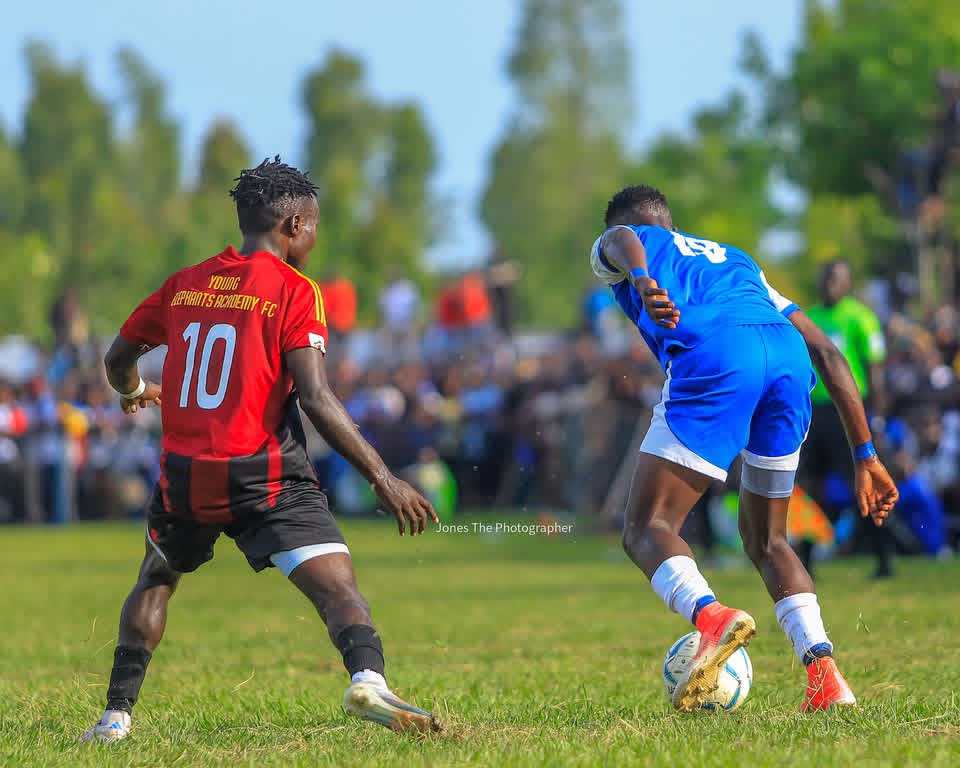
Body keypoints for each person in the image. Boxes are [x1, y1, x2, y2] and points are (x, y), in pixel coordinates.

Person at [81, 157, 442, 744]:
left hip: (187, 474)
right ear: (295, 226)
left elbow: (117, 360)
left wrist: (134, 392)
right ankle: (368, 679)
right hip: (264, 474)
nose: (317, 239)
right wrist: (382, 476)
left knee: (155, 578)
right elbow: (317, 399)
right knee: (338, 589)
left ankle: (114, 718)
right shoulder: (295, 291)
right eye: (316, 227)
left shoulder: (187, 282)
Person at [589, 185, 898, 712]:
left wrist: (640, 279)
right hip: (787, 362)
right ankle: (826, 679)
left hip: (718, 358)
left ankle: (712, 618)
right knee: (769, 541)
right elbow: (825, 349)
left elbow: (620, 239)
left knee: (647, 528)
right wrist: (866, 455)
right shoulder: (736, 261)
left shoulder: (624, 244)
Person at [800, 260, 893, 578]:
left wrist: (875, 421)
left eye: (835, 278)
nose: (829, 283)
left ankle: (883, 558)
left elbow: (875, 372)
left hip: (847, 412)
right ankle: (806, 562)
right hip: (815, 416)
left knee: (861, 484)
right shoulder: (808, 316)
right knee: (810, 488)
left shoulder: (860, 318)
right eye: (825, 277)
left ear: (847, 283)